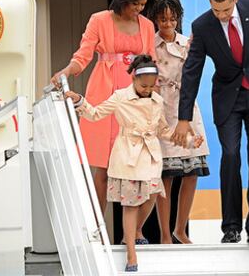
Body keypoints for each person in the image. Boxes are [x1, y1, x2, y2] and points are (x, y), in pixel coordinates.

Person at [172, 0, 249, 244]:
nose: (221, 16)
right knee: (231, 155)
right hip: (228, 100)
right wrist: (183, 117)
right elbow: (192, 71)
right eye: (216, 11)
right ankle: (231, 227)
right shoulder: (202, 26)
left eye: (225, 11)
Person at [65, 55, 203, 272]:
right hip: (128, 155)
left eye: (151, 85)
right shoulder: (120, 96)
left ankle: (134, 232)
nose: (148, 89)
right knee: (130, 204)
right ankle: (131, 253)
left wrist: (188, 140)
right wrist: (80, 101)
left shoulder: (157, 100)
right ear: (133, 79)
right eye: (143, 85)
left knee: (152, 195)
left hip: (150, 156)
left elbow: (164, 131)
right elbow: (95, 114)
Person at [50, 0, 156, 219]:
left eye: (143, 4)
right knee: (105, 165)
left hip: (135, 96)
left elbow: (152, 65)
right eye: (135, 3)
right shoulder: (99, 20)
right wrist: (65, 72)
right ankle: (97, 223)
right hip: (105, 92)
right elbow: (82, 57)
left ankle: (134, 231)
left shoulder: (148, 26)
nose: (139, 9)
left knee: (135, 164)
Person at [149, 0, 210, 244]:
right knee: (167, 175)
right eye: (163, 19)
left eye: (172, 19)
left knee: (192, 173)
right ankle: (164, 234)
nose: (167, 24)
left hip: (187, 110)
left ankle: (180, 229)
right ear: (155, 19)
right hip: (162, 109)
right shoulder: (149, 45)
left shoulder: (188, 43)